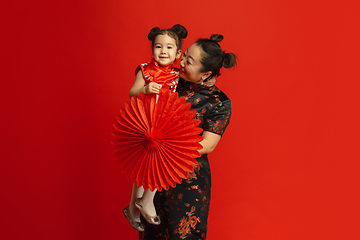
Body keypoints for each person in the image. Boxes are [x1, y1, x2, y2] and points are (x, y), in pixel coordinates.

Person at [139, 34, 236, 239]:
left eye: (188, 61)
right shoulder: (169, 81)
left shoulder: (219, 102)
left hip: (187, 179)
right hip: (156, 174)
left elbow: (208, 145)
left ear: (206, 73)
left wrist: (166, 145)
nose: (180, 62)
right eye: (183, 55)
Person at [122, 24, 188, 232]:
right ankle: (140, 204)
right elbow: (132, 93)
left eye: (169, 48)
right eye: (158, 47)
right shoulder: (145, 70)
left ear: (178, 53)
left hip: (166, 125)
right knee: (144, 167)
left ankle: (138, 205)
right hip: (146, 122)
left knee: (158, 164)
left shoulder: (179, 75)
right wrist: (145, 89)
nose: (163, 51)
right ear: (152, 50)